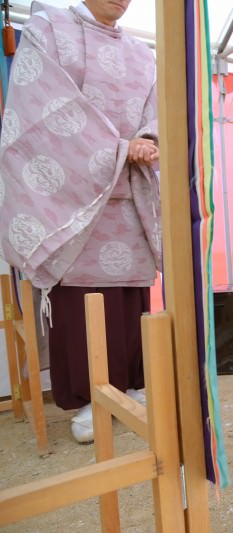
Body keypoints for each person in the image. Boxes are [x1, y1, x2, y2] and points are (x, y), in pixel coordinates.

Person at [0, 0, 160, 443]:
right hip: (70, 198)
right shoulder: (48, 28)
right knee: (81, 300)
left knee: (128, 299)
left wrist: (147, 139)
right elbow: (43, 110)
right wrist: (115, 149)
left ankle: (128, 385)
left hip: (128, 192)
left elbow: (157, 107)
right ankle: (90, 397)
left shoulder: (142, 52)